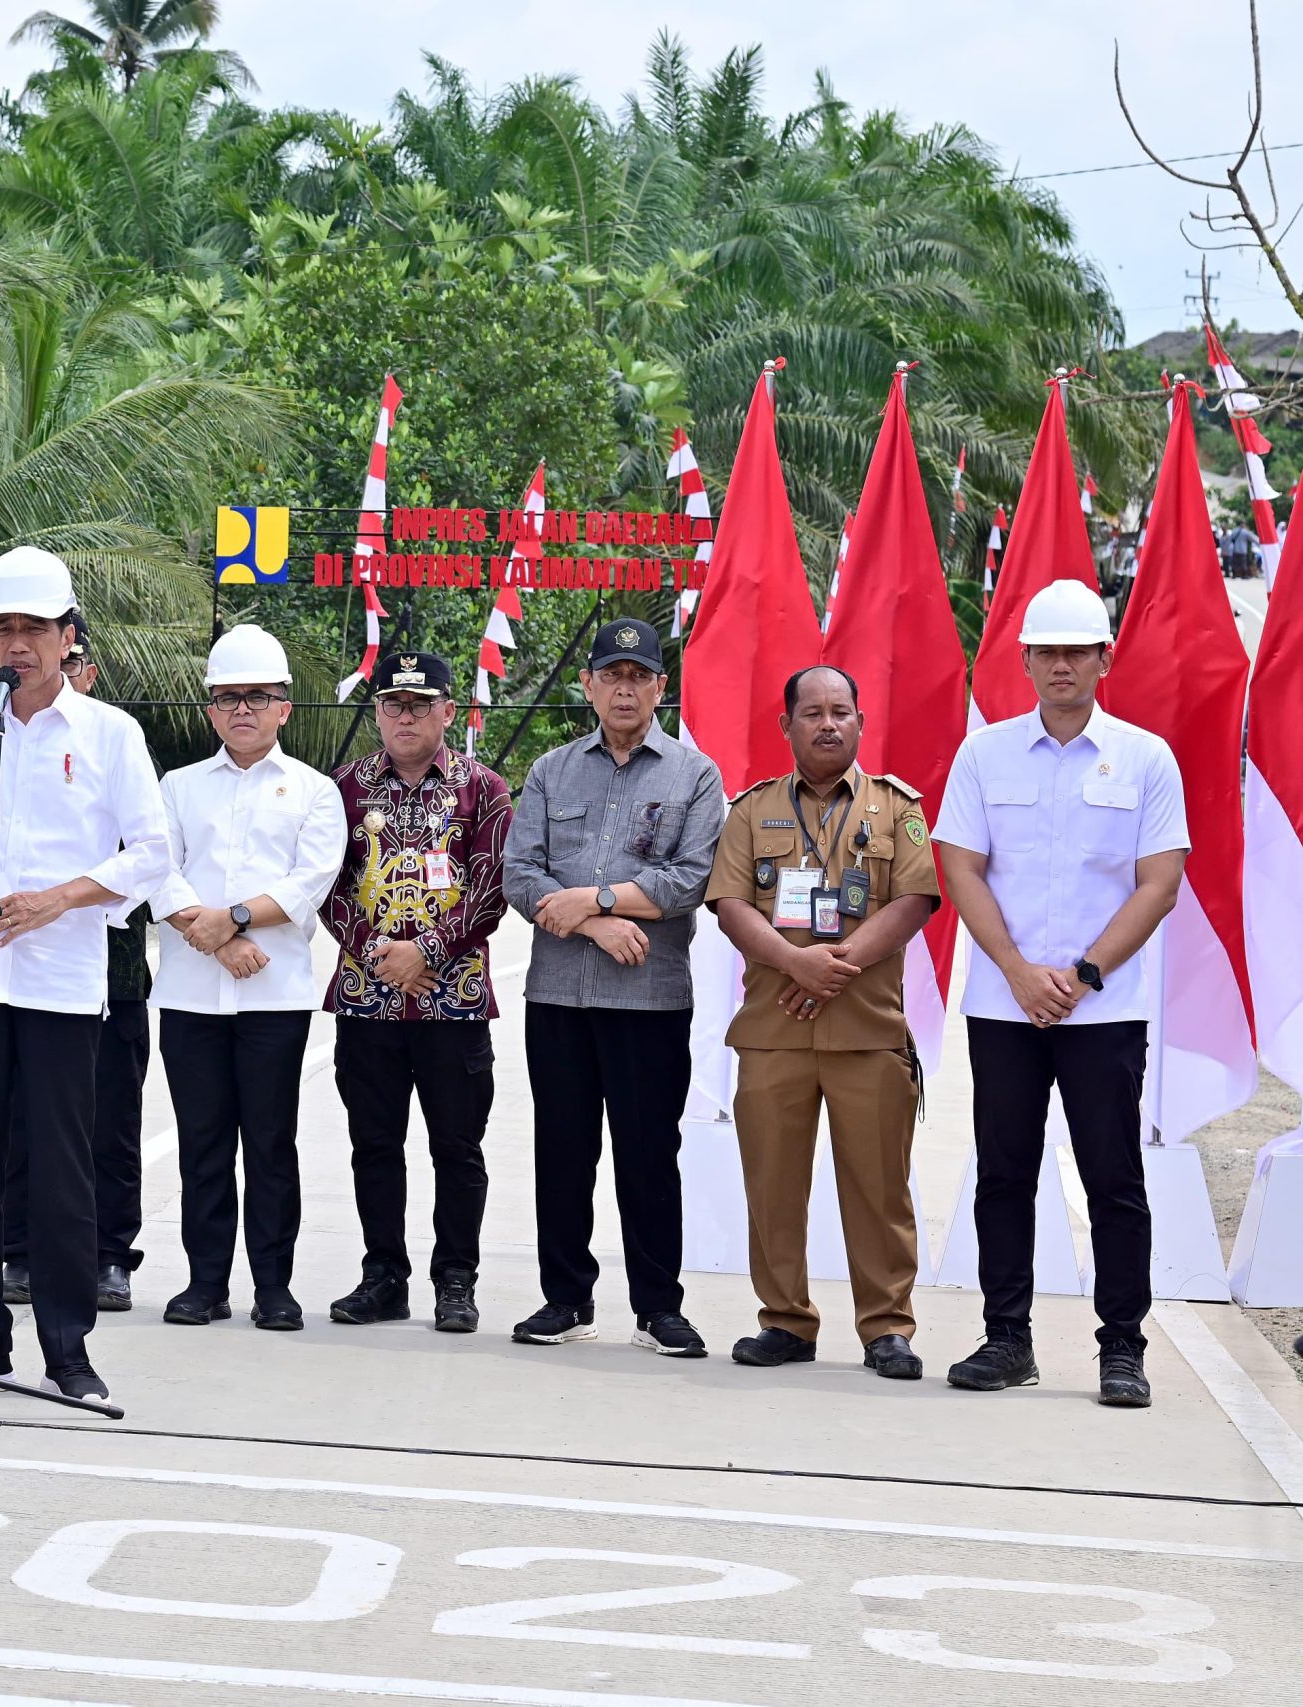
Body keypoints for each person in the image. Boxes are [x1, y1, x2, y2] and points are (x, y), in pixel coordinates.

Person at [0, 546, 169, 1408]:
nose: (17, 645)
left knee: (60, 1167)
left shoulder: (110, 734)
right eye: (3, 629)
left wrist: (62, 898)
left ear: (66, 636)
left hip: (60, 981)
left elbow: (155, 853)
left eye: (33, 629)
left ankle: (68, 1347)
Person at [933, 579, 1188, 1407]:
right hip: (1005, 1007)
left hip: (1102, 1011)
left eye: (1079, 650)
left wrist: (1079, 976)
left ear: (1105, 658)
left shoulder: (1146, 757)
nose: (1063, 664)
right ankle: (1007, 1338)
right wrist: (1014, 969)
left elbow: (1158, 884)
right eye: (1048, 651)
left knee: (1113, 1180)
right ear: (1027, 660)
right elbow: (961, 866)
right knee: (1003, 1175)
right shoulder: (985, 754)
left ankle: (1122, 1349)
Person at [704, 665, 938, 1380]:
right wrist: (792, 962)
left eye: (841, 711)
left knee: (879, 1189)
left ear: (861, 722)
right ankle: (784, 1320)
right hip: (775, 1027)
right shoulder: (751, 811)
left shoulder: (897, 808)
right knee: (773, 1186)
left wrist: (836, 965)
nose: (828, 723)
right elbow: (731, 902)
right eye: (812, 712)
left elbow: (916, 897)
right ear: (787, 726)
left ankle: (887, 1328)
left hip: (867, 1030)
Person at [504, 615, 725, 1357]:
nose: (624, 690)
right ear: (589, 684)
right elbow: (521, 873)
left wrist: (594, 900)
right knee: (562, 1151)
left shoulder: (694, 774)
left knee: (647, 1153)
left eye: (640, 677)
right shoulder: (550, 770)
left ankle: (659, 1307)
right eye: (611, 676)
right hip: (559, 995)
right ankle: (564, 1298)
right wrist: (597, 924)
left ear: (661, 687)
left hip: (650, 998)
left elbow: (690, 877)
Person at [152, 625, 346, 1330]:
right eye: (228, 697)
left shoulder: (315, 792)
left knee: (269, 1144)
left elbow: (308, 883)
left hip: (275, 996)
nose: (243, 710)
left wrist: (228, 920)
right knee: (202, 1145)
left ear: (284, 707)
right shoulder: (177, 787)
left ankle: (273, 1286)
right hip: (190, 996)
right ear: (210, 709)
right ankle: (205, 1283)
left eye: (258, 697)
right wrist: (216, 940)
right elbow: (160, 871)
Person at [319, 652, 511, 1331]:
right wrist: (380, 953)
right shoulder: (343, 788)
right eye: (393, 705)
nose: (405, 716)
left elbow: (492, 890)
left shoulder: (482, 788)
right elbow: (328, 886)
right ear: (376, 712)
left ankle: (456, 1279)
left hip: (451, 1000)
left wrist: (425, 951)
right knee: (374, 1144)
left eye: (420, 704)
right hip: (365, 1001)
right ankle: (383, 1276)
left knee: (457, 1147)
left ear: (447, 712)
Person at [2, 621, 150, 1314]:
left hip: (116, 973)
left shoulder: (113, 746)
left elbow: (156, 860)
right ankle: (21, 1253)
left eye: (84, 662)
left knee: (110, 1124)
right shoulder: (15, 747)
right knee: (24, 1126)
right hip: (38, 971)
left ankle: (111, 1255)